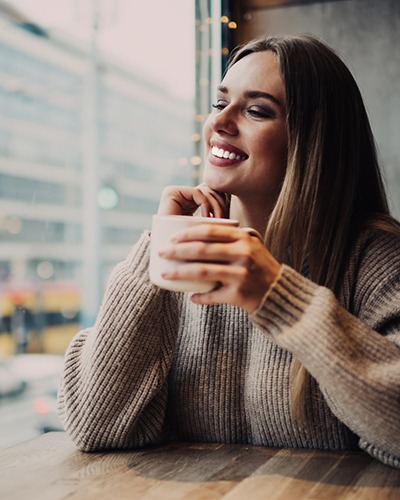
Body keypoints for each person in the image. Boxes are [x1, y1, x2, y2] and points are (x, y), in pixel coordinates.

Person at [57, 34, 400, 468]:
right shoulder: (185, 255)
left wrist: (278, 296)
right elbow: (96, 427)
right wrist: (156, 252)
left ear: (314, 142)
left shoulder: (375, 258)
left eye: (257, 110)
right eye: (221, 104)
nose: (220, 122)